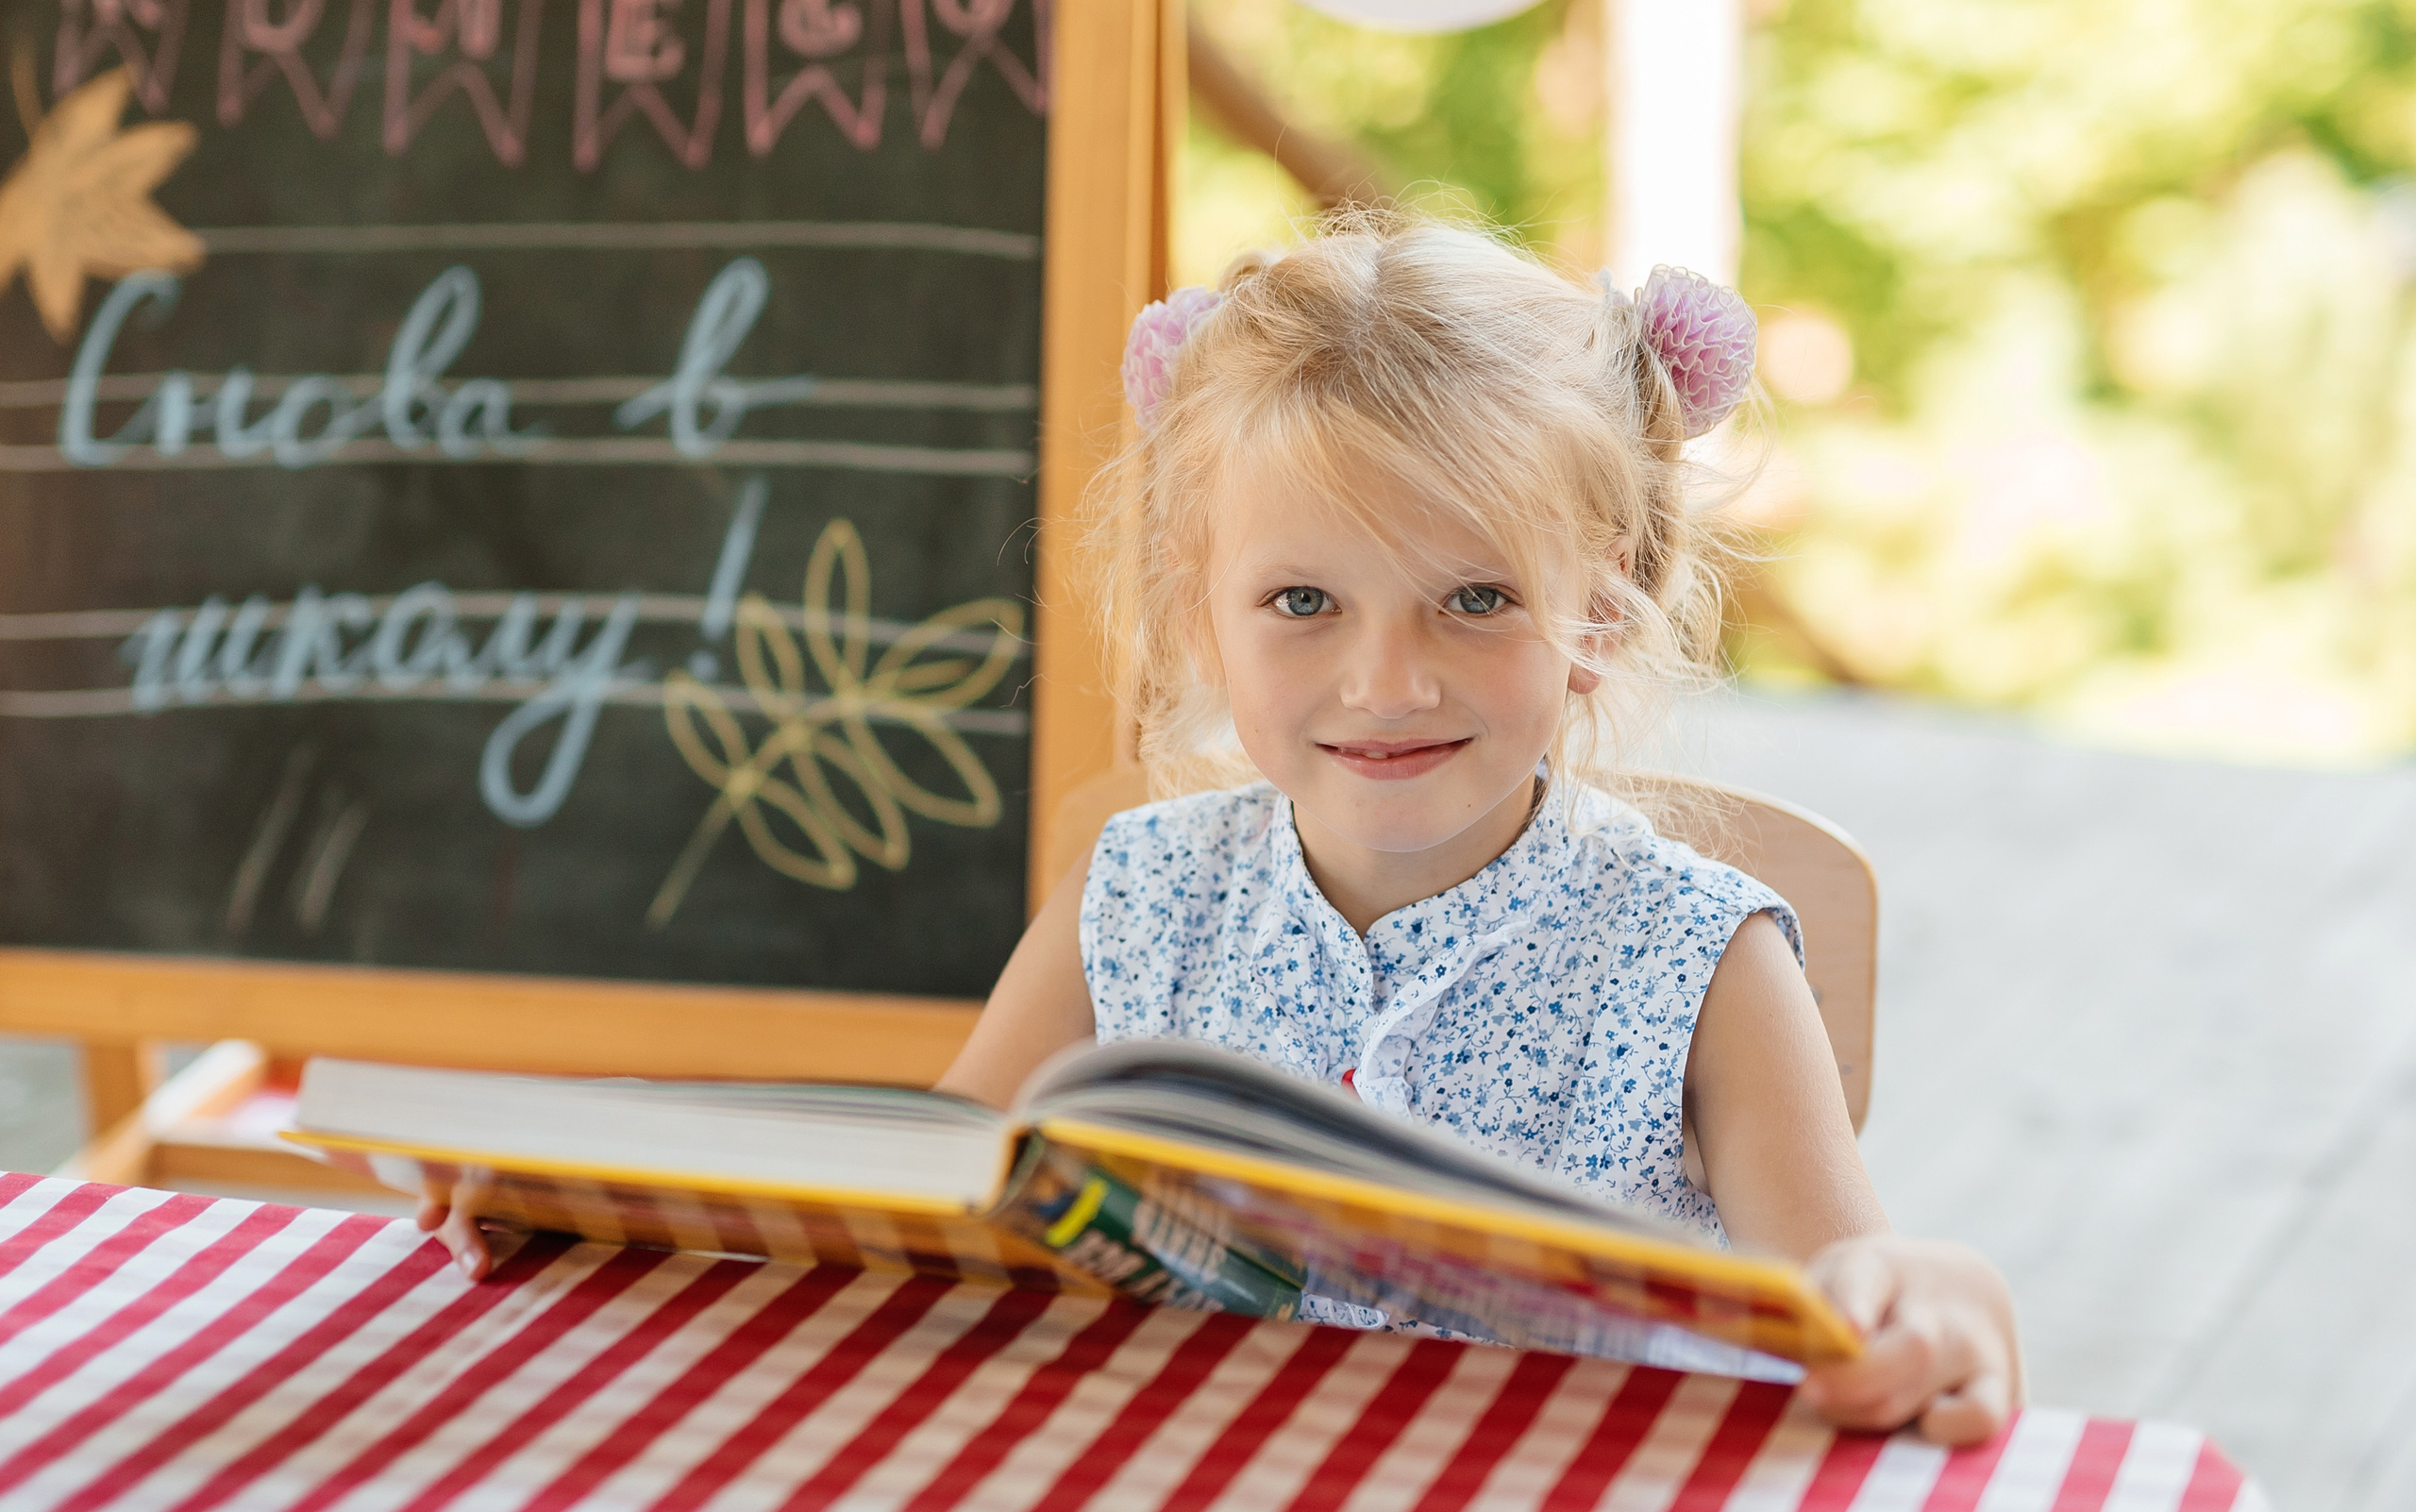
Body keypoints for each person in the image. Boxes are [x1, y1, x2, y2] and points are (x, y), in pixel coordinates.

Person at [422, 216, 2020, 1447]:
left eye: (1475, 599)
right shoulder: (1136, 893)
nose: (1385, 678)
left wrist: (1933, 1299)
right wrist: (589, 1198)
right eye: (1303, 600)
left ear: (1603, 609)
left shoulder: (1701, 957)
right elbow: (921, 1218)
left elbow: (1849, 1304)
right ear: (1201, 617)